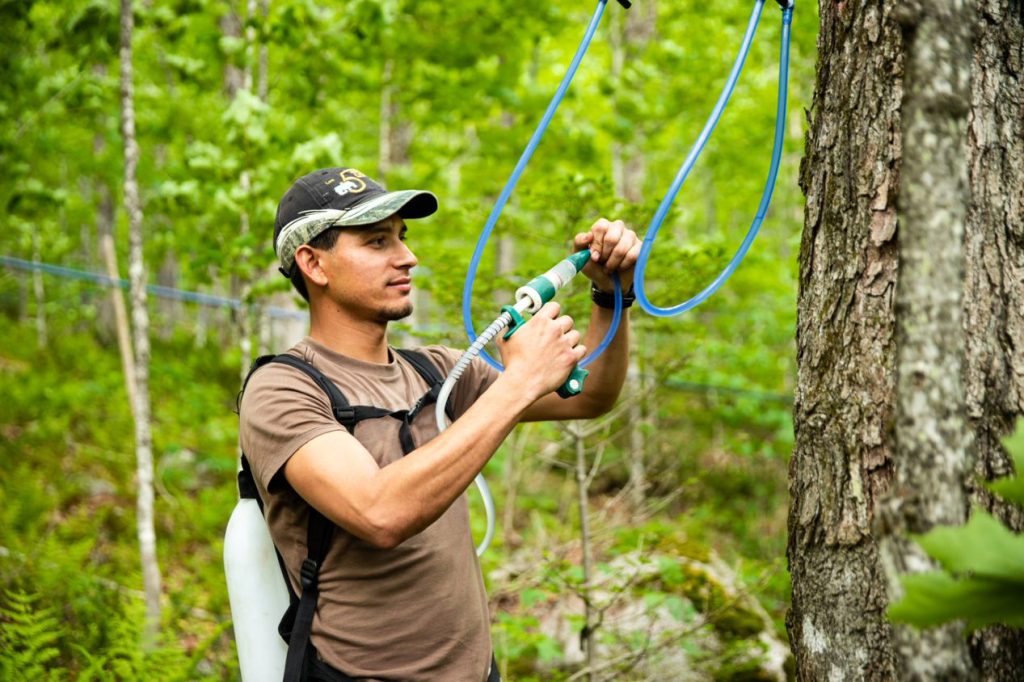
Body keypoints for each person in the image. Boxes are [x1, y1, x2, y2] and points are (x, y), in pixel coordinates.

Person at [239, 166, 640, 682]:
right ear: (313, 263)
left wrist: (611, 297)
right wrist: (520, 382)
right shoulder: (283, 389)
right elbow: (379, 512)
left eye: (402, 237)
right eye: (377, 241)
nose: (407, 257)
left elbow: (592, 397)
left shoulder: (438, 371)